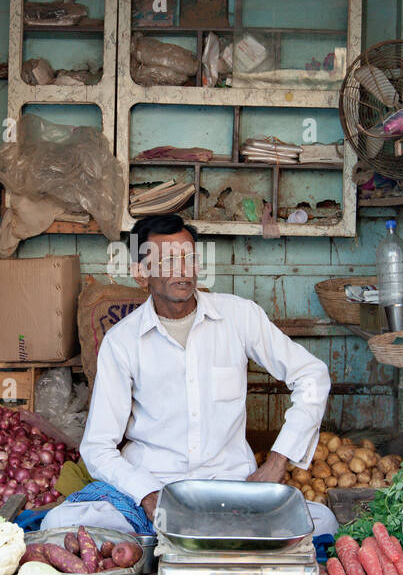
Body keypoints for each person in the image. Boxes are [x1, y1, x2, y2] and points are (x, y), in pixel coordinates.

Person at [42, 214, 335, 539]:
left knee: (322, 521)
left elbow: (312, 375)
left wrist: (279, 459)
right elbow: (97, 445)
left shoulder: (239, 316)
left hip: (230, 490)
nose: (183, 269)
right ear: (141, 274)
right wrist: (145, 493)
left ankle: (165, 545)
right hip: (155, 489)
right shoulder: (122, 342)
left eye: (189, 257)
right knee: (57, 524)